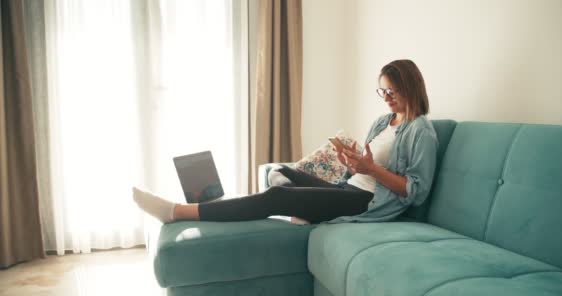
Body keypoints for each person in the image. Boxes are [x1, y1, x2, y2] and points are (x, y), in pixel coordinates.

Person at [133, 59, 438, 224]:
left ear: (410, 88)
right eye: (381, 92)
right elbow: (366, 169)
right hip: (349, 188)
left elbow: (416, 192)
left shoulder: (420, 130)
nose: (385, 98)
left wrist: (371, 170)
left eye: (392, 93)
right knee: (281, 170)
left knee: (278, 195)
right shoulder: (383, 122)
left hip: (367, 203)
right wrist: (352, 165)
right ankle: (300, 208)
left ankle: (178, 211)